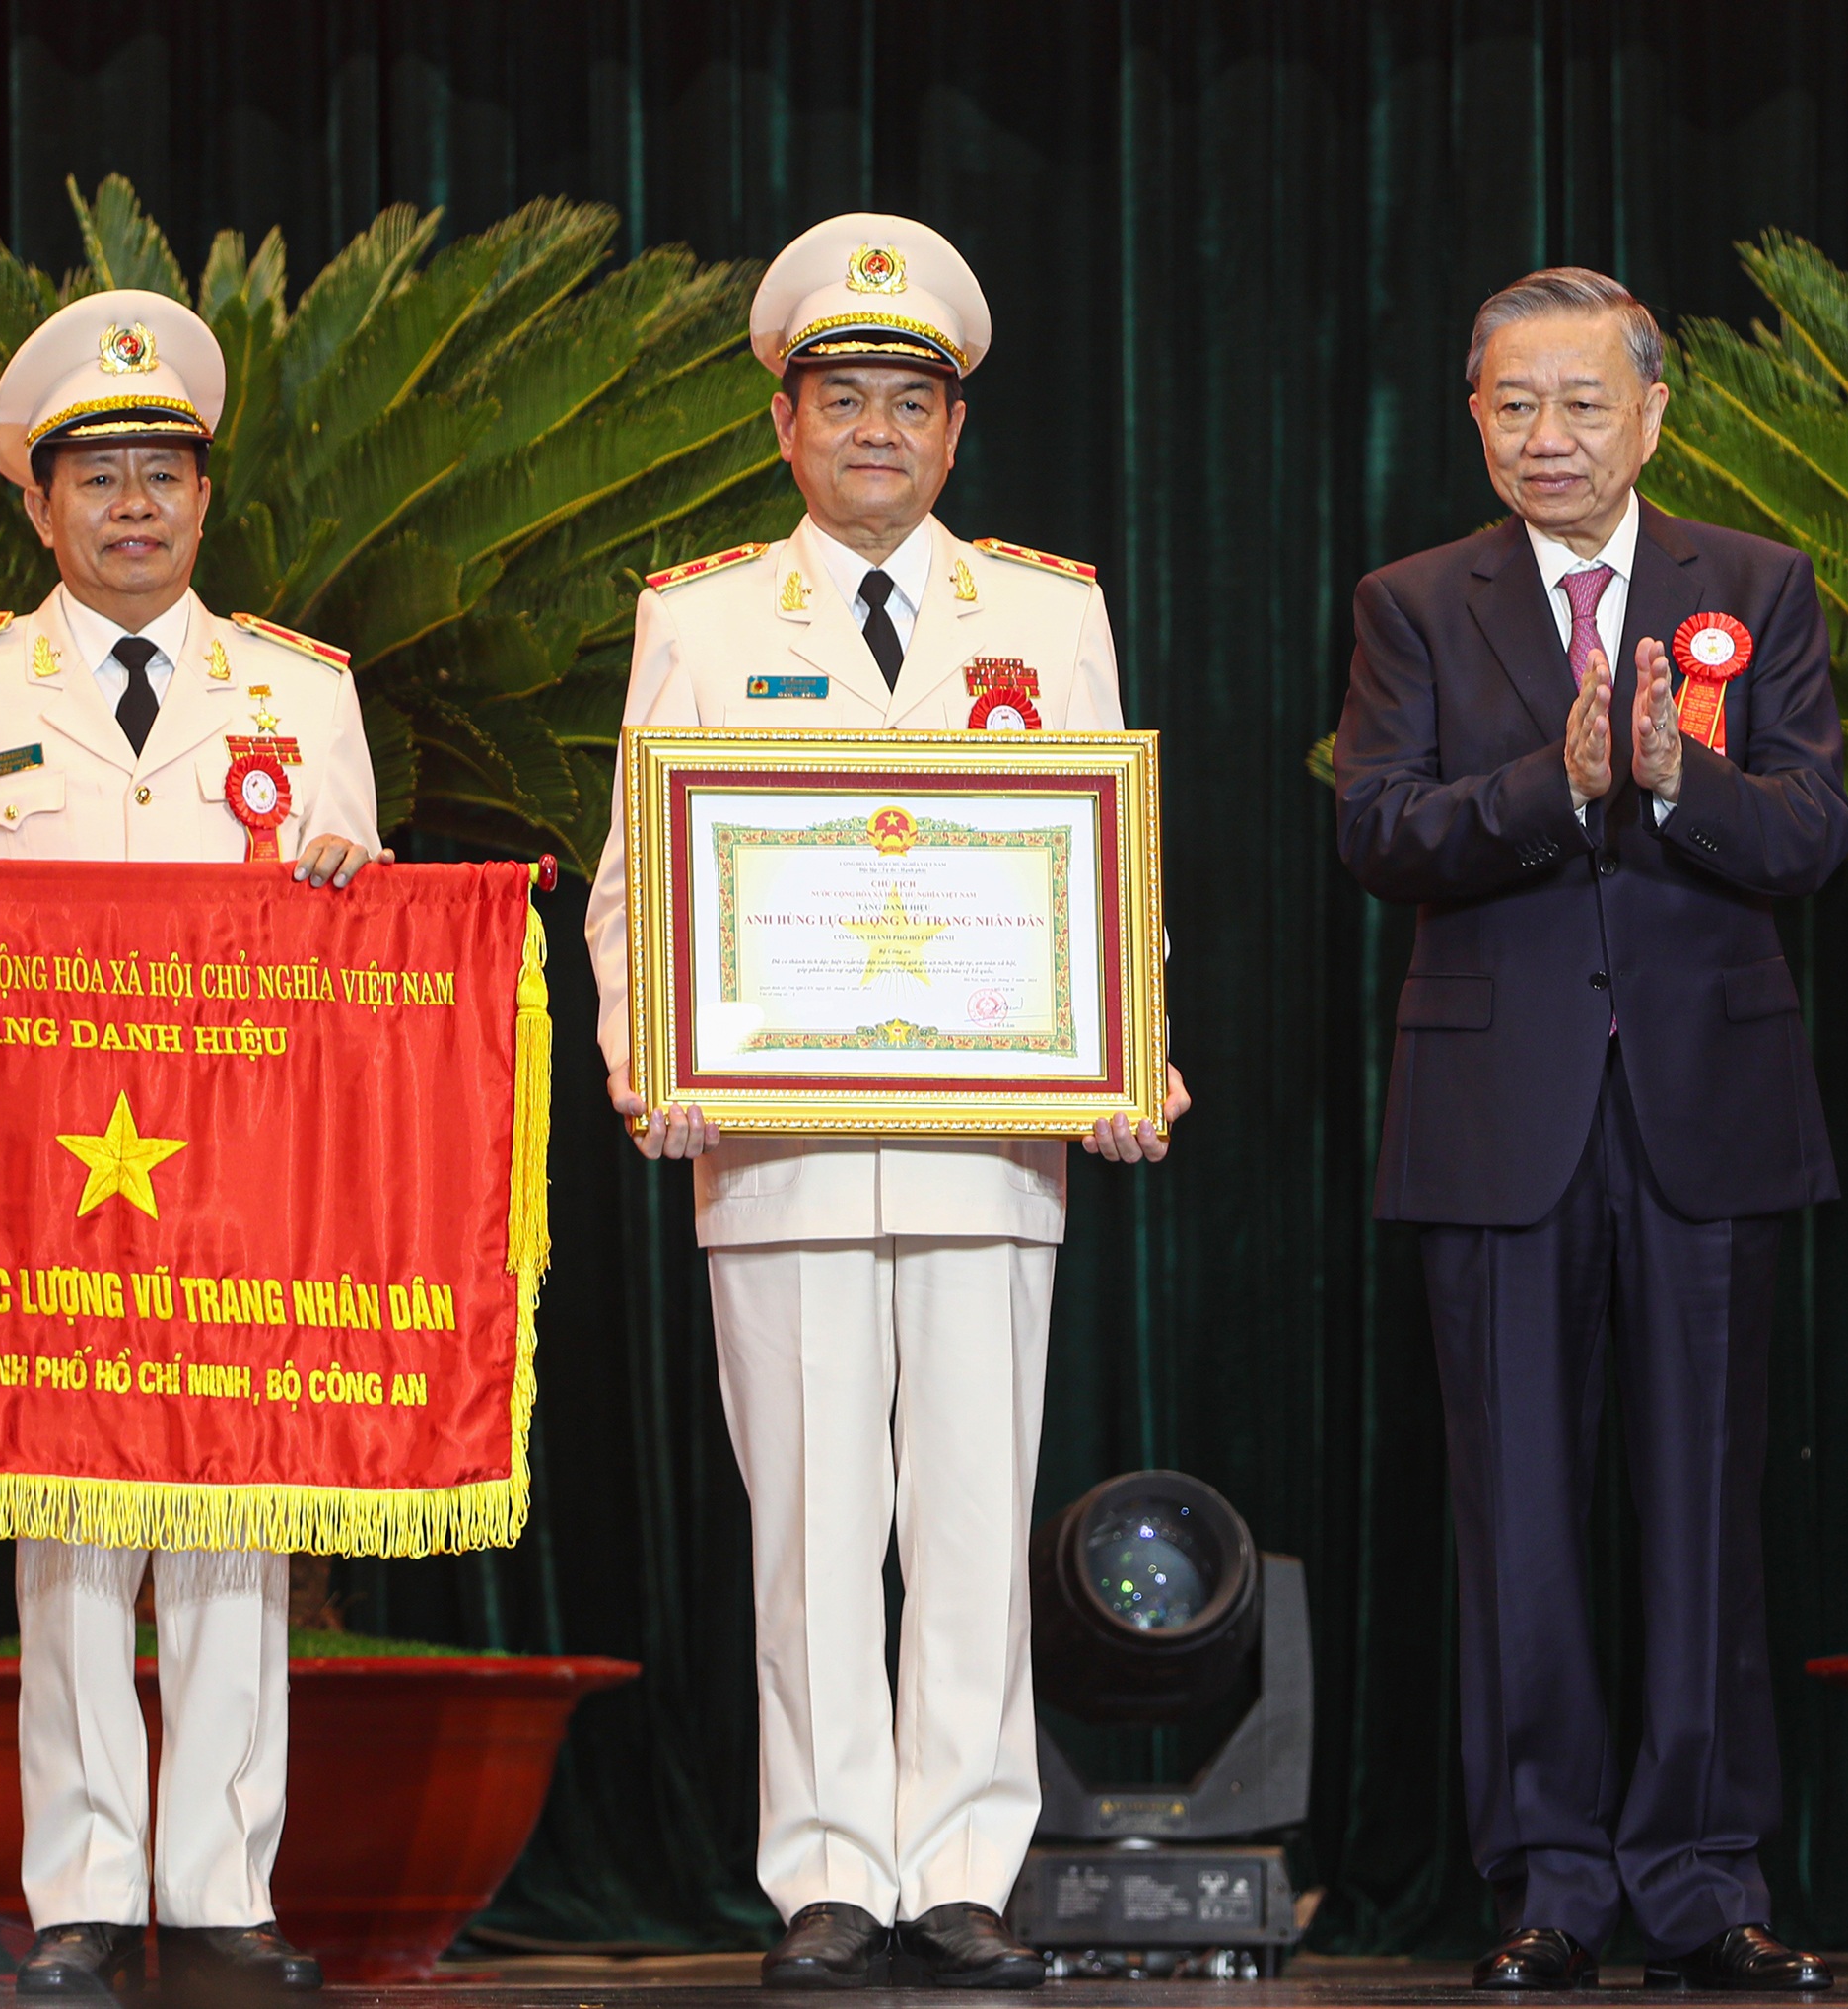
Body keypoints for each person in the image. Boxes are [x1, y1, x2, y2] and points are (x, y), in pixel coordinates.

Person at [583, 214, 1189, 1991]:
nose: (872, 430)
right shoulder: (698, 618)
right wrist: (644, 1061)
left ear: (953, 429)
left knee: (975, 1515)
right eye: (839, 397)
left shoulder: (1045, 610)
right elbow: (637, 881)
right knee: (813, 1524)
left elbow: (1110, 870)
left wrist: (1131, 1048)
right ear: (782, 424)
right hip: (764, 1151)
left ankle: (967, 1867)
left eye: (905, 400)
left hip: (993, 1142)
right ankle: (831, 1869)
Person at [0, 288, 378, 1999]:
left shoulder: (304, 695)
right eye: (100, 476)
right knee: (68, 1536)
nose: (134, 504)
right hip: (38, 1193)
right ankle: (81, 1886)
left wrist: (347, 893)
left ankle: (221, 1887)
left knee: (233, 1524)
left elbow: (370, 947)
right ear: (36, 501)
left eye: (163, 472)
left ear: (206, 501)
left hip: (241, 1175)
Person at [1332, 267, 1848, 1994]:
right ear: (1473, 417)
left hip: (1709, 1104)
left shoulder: (1754, 590)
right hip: (1499, 1116)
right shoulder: (1413, 601)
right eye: (1511, 406)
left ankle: (1704, 1875)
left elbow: (1808, 837)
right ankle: (1549, 1875)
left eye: (1579, 405)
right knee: (1520, 1520)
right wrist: (1554, 788)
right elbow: (1382, 831)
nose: (1546, 437)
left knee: (1707, 1506)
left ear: (1651, 415)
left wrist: (1672, 777)